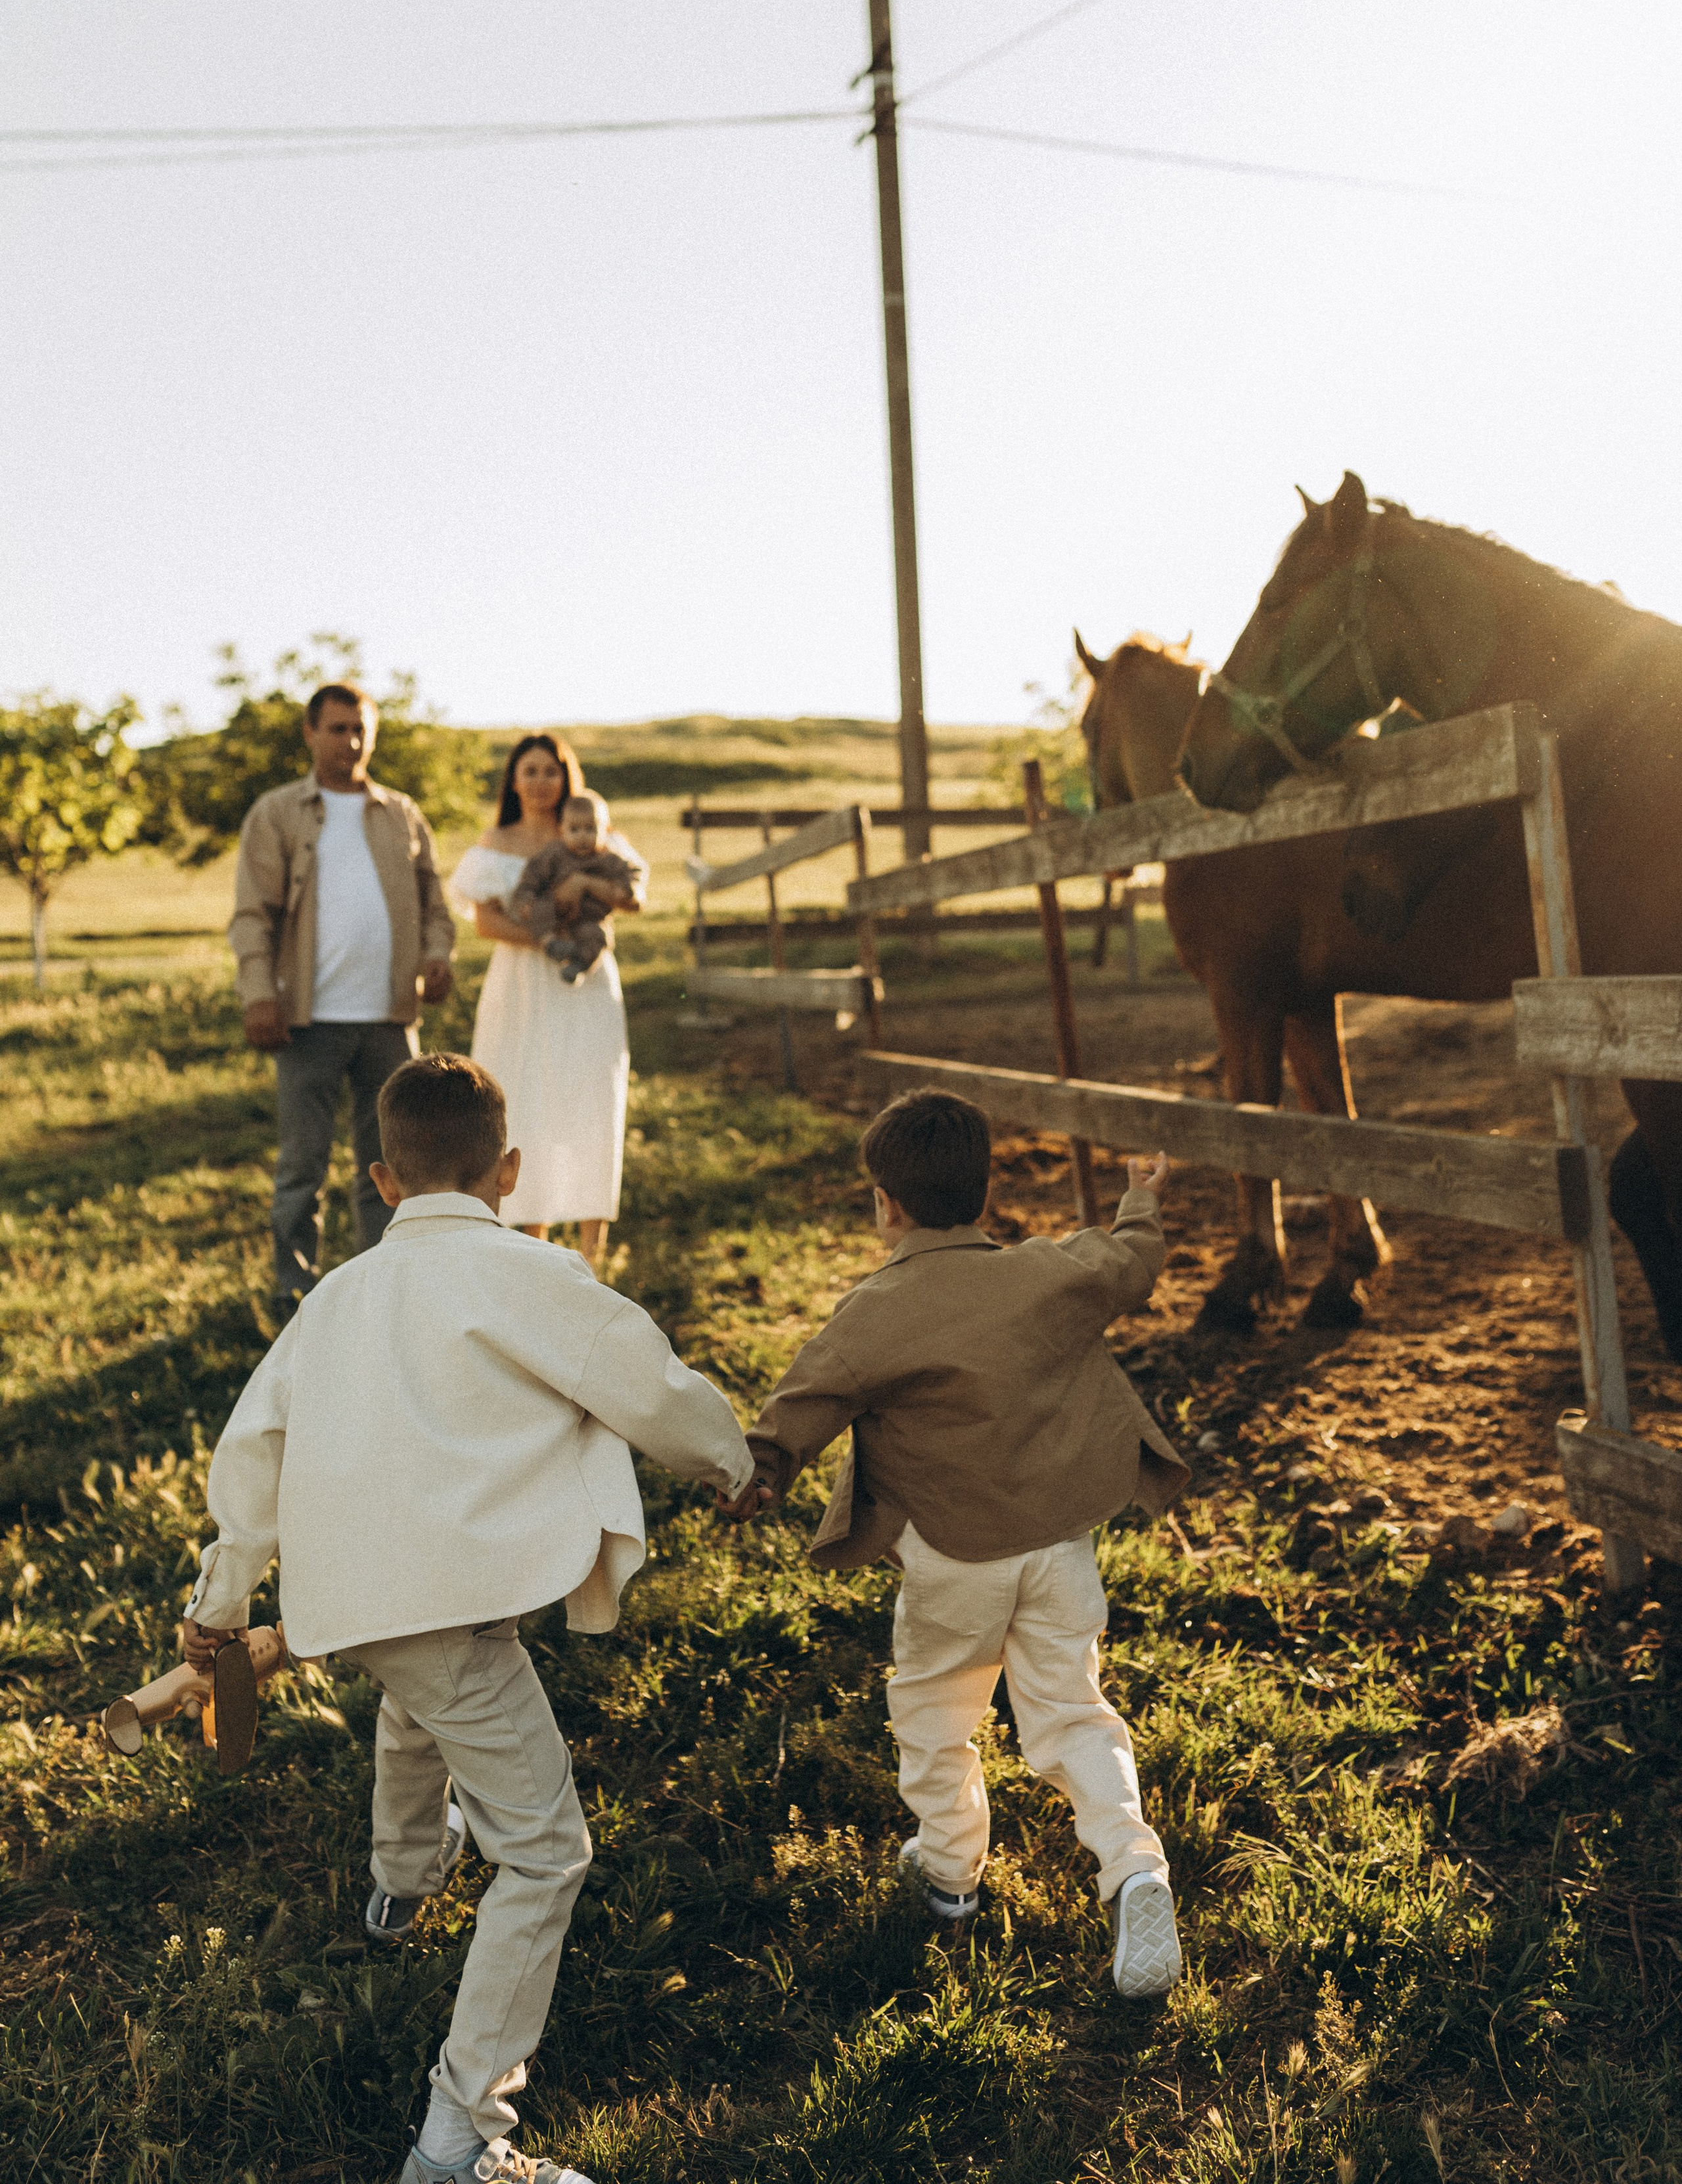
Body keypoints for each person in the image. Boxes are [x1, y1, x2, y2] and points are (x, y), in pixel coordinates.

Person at [181, 1053, 761, 2184]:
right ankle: (460, 2138)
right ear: (510, 1171)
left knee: (422, 1701)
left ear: (381, 1181)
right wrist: (732, 1466)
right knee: (546, 1854)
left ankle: (400, 1886)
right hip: (446, 1604)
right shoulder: (535, 1274)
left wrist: (220, 1603)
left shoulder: (334, 1298)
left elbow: (252, 1450)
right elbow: (647, 1383)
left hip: (361, 1598)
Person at [740, 1089, 1191, 1997]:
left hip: (954, 1559)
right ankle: (1134, 1868)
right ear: (985, 1194)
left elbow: (805, 1401)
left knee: (937, 1713)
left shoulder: (876, 1309)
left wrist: (762, 1470)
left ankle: (949, 1873)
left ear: (886, 1205)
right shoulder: (1049, 1271)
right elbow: (1131, 1261)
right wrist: (1141, 1195)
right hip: (1058, 1547)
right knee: (1073, 1713)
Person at [229, 682, 455, 1312]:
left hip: (389, 1019)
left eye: (361, 730)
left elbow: (435, 906)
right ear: (310, 733)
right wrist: (258, 994)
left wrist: (438, 956)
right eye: (337, 729)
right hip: (308, 1019)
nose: (351, 742)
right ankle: (294, 1291)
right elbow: (252, 915)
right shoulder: (277, 813)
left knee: (388, 1166)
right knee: (304, 1164)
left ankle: (379, 1291)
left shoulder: (402, 813)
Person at [451, 738, 647, 1272]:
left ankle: (592, 1253)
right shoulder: (498, 841)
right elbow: (487, 922)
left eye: (550, 772)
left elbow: (632, 897)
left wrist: (584, 881)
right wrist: (547, 938)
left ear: (567, 777)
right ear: (514, 780)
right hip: (521, 982)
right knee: (523, 1103)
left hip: (587, 985)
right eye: (529, 771)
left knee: (591, 1099)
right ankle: (530, 1245)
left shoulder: (595, 834)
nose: (540, 782)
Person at [506, 790, 640, 983]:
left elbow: (632, 875)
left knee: (598, 936)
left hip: (589, 918)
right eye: (574, 830)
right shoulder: (554, 854)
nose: (582, 836)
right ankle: (551, 944)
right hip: (554, 912)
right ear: (562, 829)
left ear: (605, 830)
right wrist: (525, 900)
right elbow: (532, 877)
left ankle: (579, 965)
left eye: (591, 829)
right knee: (538, 911)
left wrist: (626, 889)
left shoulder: (609, 859)